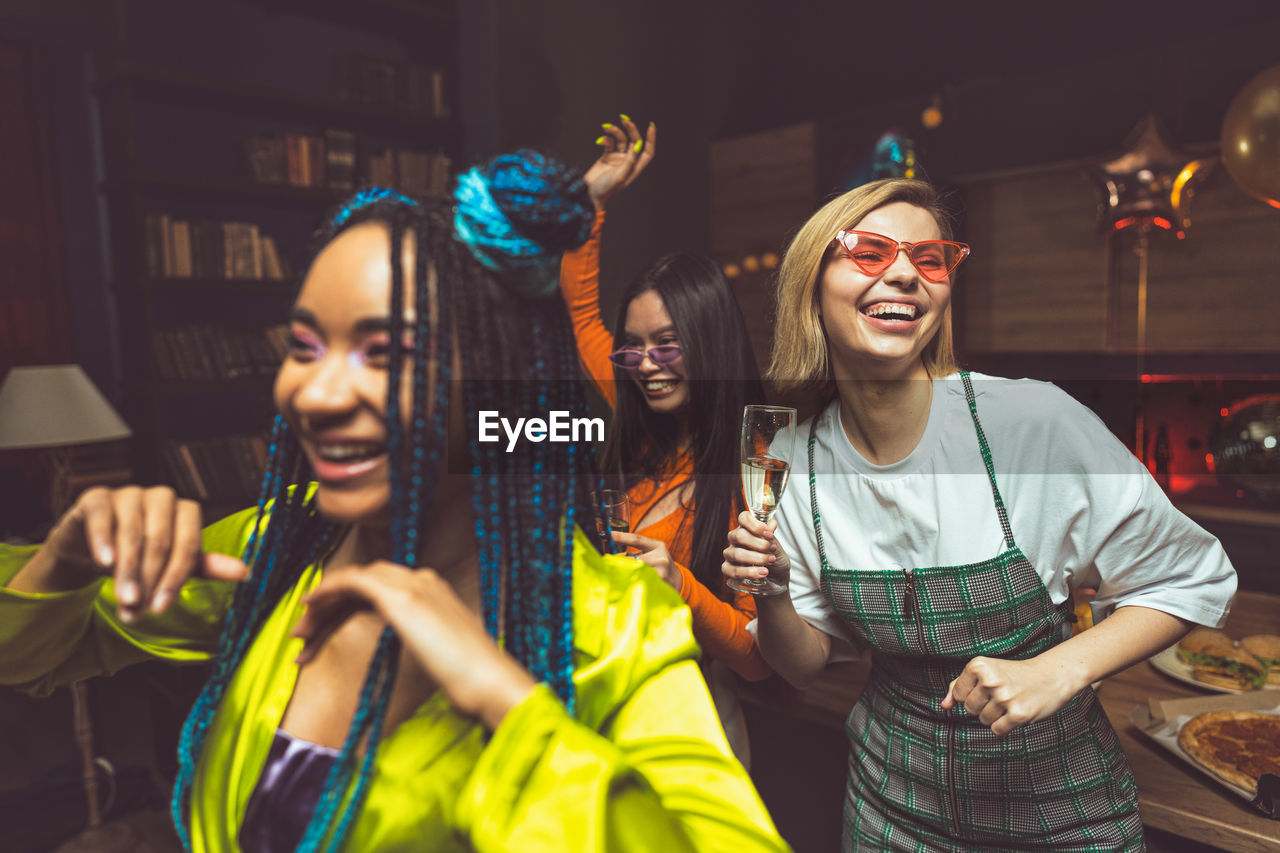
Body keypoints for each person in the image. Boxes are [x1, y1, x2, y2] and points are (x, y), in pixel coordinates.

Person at [0, 152, 789, 853]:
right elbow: (31, 649)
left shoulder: (610, 629)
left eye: (386, 353)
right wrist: (58, 563)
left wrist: (504, 700)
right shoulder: (279, 547)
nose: (314, 391)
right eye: (304, 345)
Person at [721, 178, 1237, 851]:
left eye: (929, 259)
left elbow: (1194, 577)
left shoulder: (1030, 425)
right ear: (811, 284)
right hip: (889, 813)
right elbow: (803, 665)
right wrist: (775, 595)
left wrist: (1061, 668)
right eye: (870, 251)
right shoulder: (794, 458)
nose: (905, 272)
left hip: (1060, 812)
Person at [560, 117, 771, 766]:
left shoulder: (754, 465)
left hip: (695, 724)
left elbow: (761, 656)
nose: (646, 363)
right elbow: (577, 309)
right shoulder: (632, 395)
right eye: (635, 346)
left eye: (667, 345)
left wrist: (676, 579)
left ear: (705, 344)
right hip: (604, 713)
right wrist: (590, 198)